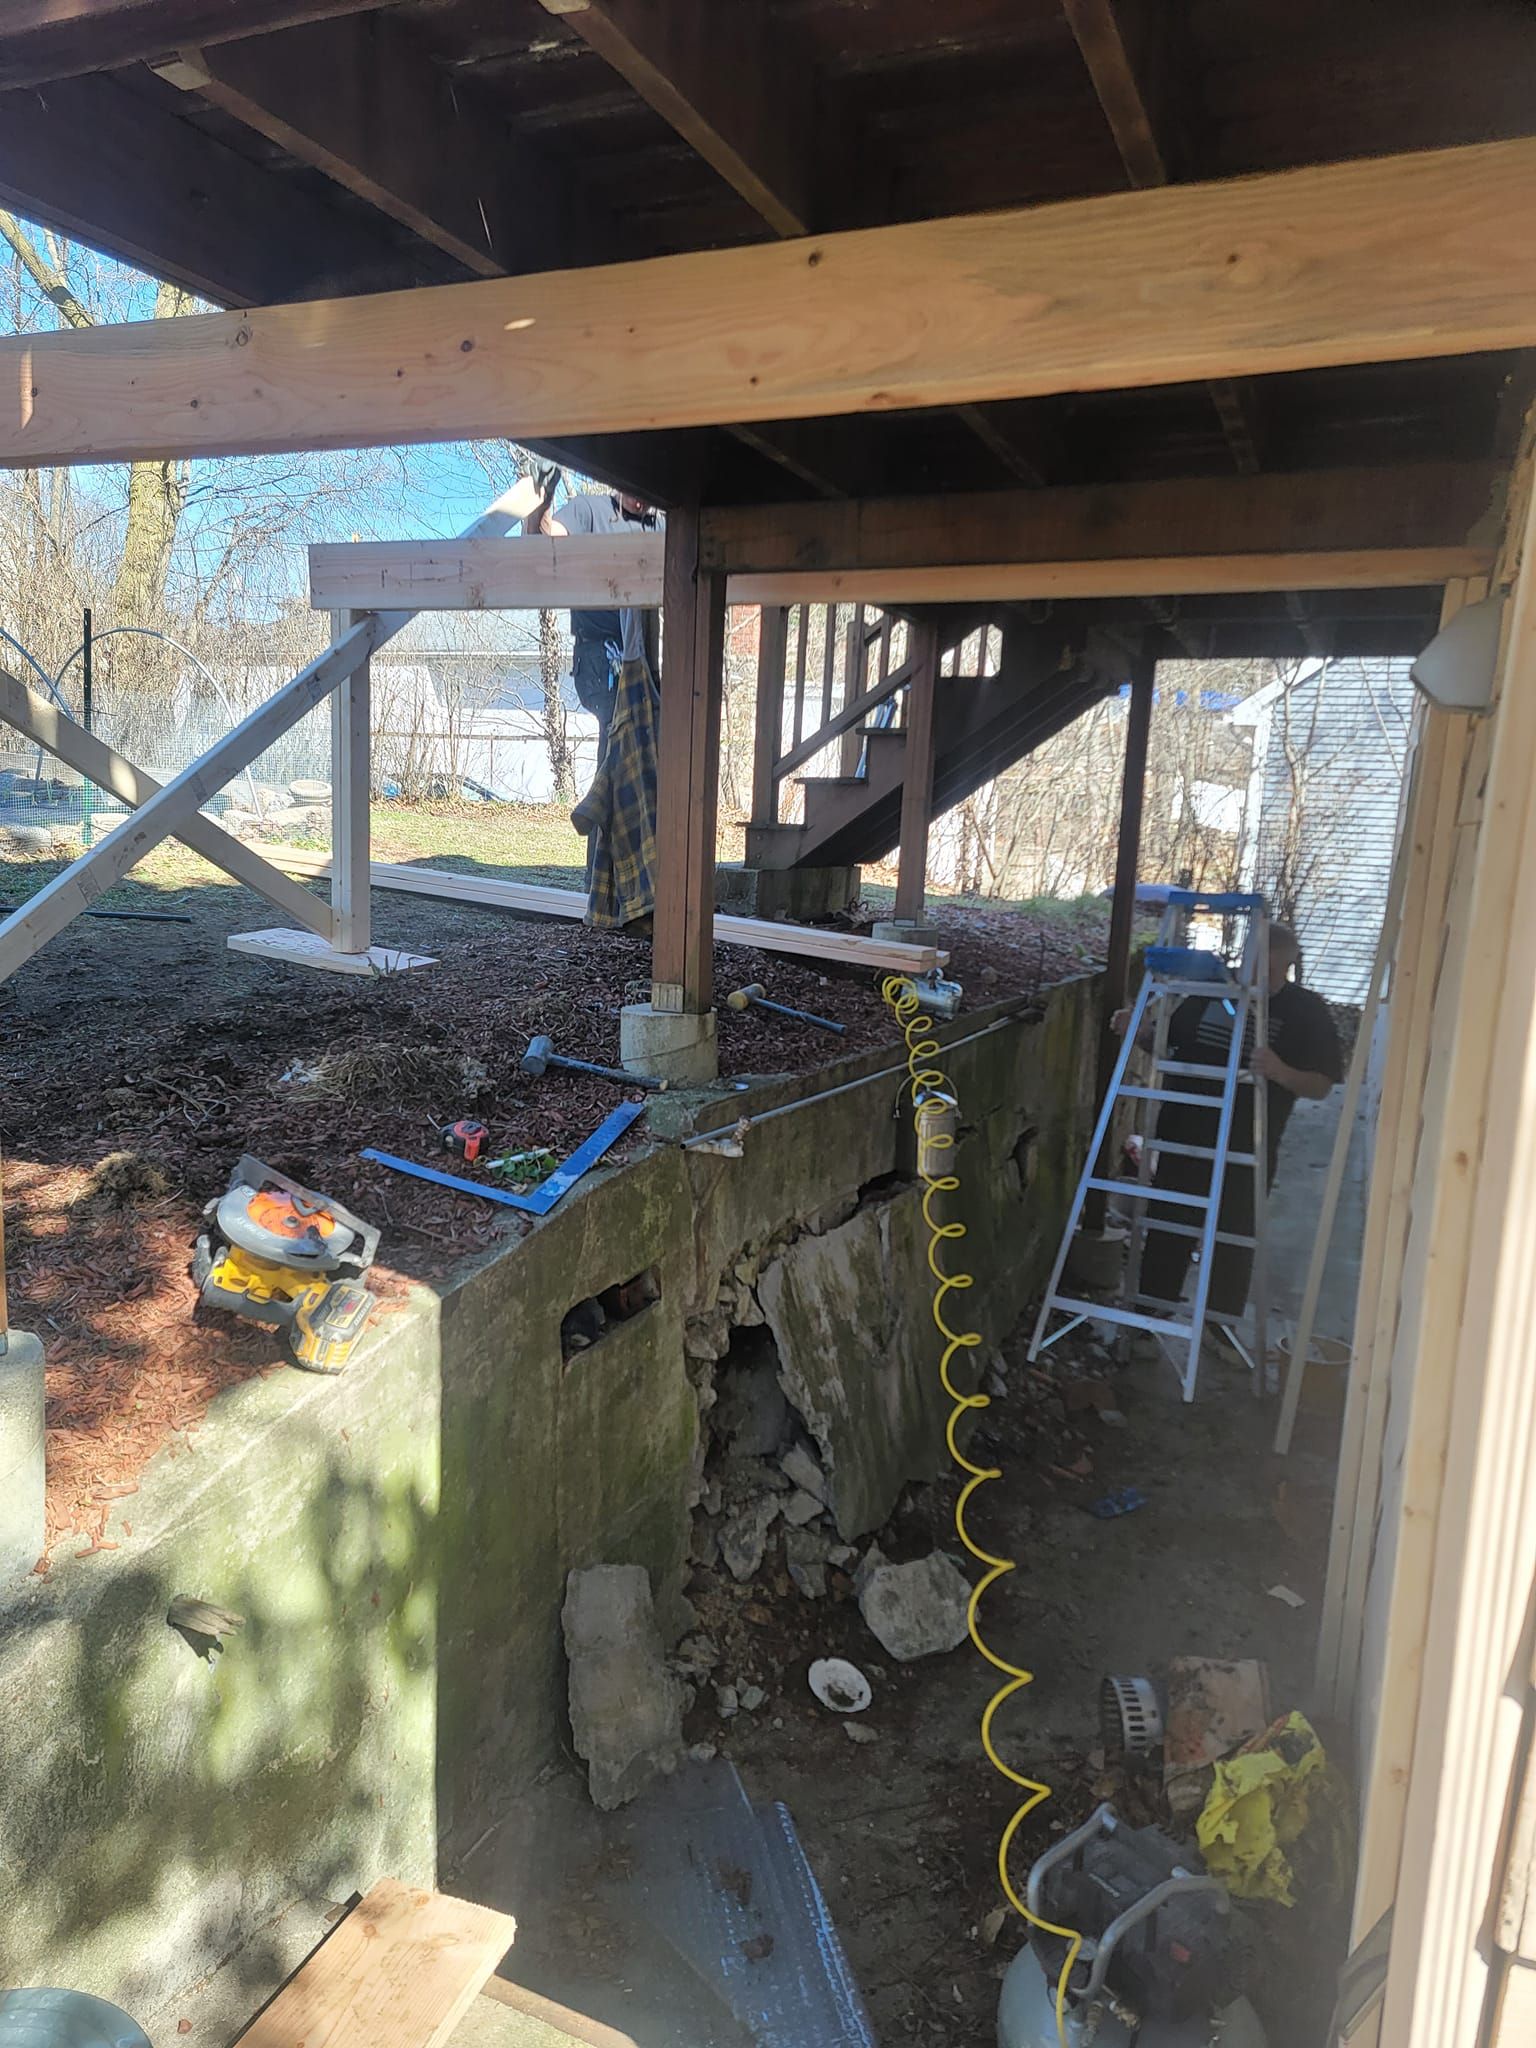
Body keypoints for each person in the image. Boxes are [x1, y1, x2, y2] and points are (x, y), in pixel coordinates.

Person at [1112, 922, 1342, 1323]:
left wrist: (1281, 1071)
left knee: (1234, 1237)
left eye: (1268, 973)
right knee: (1169, 1227)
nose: (1254, 979)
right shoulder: (1212, 993)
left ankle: (1221, 1328)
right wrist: (1139, 1032)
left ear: (1286, 966)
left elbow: (1322, 1084)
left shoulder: (1307, 1011)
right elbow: (1169, 1047)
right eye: (1251, 966)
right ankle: (1149, 1318)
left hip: (1247, 1144)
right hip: (1184, 1132)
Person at [535, 483, 662, 777]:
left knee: (651, 731)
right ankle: (603, 817)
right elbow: (546, 539)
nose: (639, 500)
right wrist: (542, 500)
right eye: (633, 487)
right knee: (616, 726)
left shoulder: (663, 524)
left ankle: (640, 814)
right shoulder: (589, 511)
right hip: (598, 653)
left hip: (642, 650)